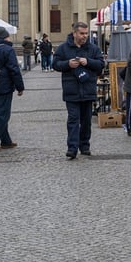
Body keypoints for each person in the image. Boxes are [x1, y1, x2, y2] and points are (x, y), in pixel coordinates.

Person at [53, 22, 105, 159]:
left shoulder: (93, 48)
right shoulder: (63, 48)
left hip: (88, 89)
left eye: (86, 33)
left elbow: (100, 65)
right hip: (71, 90)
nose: (85, 36)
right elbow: (55, 64)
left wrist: (88, 62)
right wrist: (67, 64)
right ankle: (72, 148)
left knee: (86, 120)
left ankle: (85, 145)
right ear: (75, 33)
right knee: (73, 119)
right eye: (82, 33)